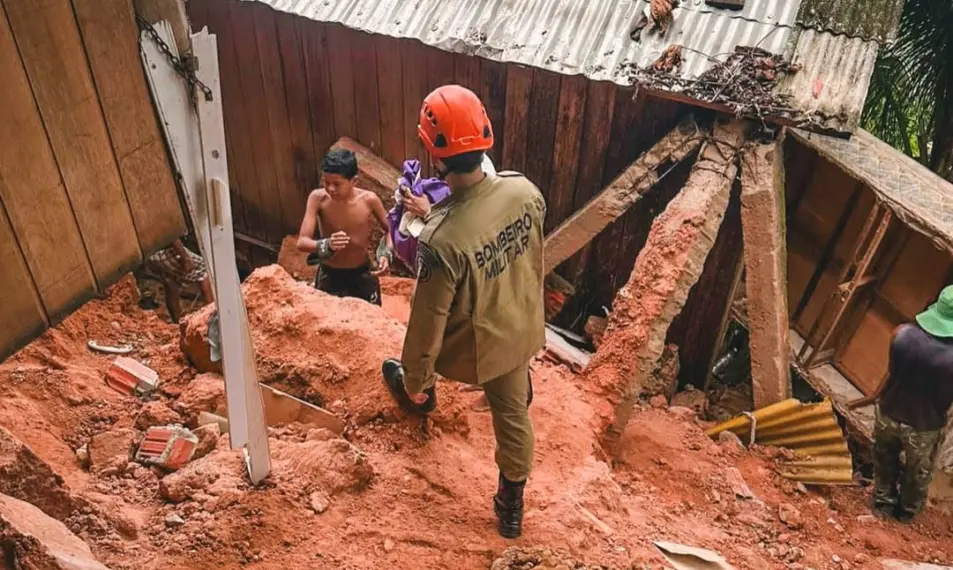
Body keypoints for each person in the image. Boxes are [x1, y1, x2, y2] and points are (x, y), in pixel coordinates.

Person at [381, 85, 546, 539]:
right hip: (521, 327)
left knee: (426, 355)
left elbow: (426, 325)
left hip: (476, 349)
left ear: (435, 155)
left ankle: (421, 395)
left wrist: (415, 380)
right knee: (513, 417)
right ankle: (511, 507)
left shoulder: (441, 240)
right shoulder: (524, 191)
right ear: (485, 135)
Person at [848, 285, 953, 522]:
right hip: (924, 426)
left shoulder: (902, 334)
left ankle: (882, 504)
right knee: (918, 473)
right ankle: (906, 513)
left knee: (885, 459)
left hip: (889, 411)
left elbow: (893, 370)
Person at [297, 148, 393, 306]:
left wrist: (385, 254)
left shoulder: (369, 200)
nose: (330, 188)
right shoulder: (317, 199)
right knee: (328, 317)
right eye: (326, 182)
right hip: (329, 274)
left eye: (337, 184)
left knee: (369, 316)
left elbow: (390, 231)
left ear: (354, 181)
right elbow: (302, 242)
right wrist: (326, 245)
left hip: (362, 273)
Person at [144, 238, 213, 322]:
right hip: (164, 251)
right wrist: (185, 258)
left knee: (171, 281)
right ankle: (212, 318)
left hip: (150, 253)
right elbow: (170, 232)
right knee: (206, 270)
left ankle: (177, 322)